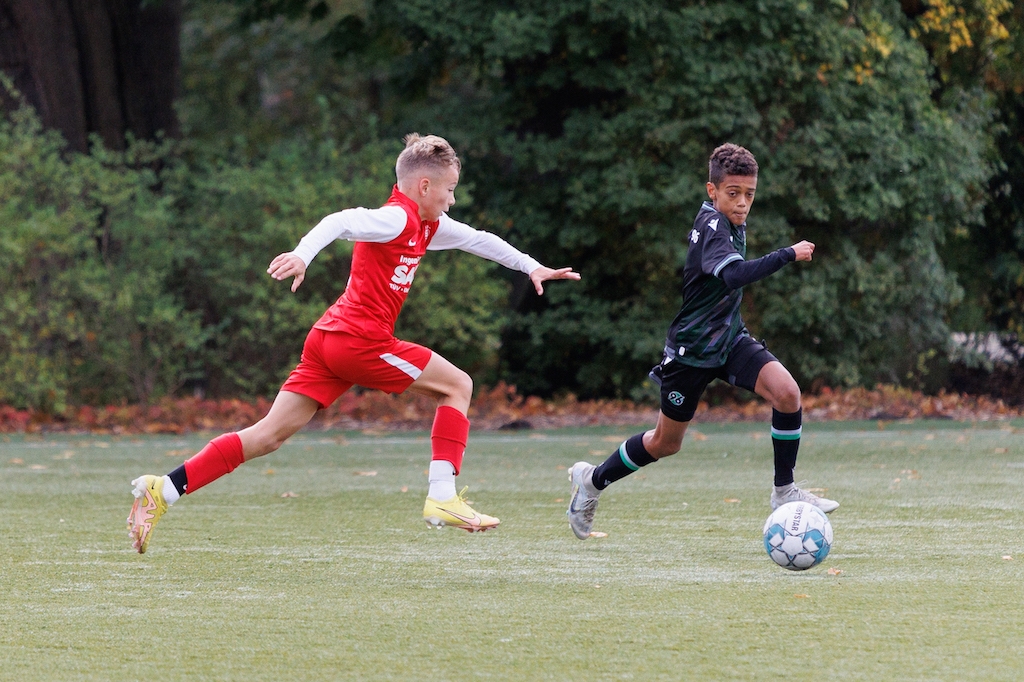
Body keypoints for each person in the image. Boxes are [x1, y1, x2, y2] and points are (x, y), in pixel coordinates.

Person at [127, 133, 580, 553]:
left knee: (266, 436)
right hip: (358, 342)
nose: (452, 199)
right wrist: (302, 255)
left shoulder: (428, 225)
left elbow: (480, 241)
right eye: (449, 189)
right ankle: (442, 496)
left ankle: (163, 489)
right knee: (458, 385)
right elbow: (340, 220)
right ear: (424, 186)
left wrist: (531, 267)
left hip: (328, 340)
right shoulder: (396, 217)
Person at [566, 142, 838, 541]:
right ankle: (592, 481)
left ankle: (784, 492)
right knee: (665, 443)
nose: (742, 203)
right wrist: (787, 254)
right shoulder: (712, 226)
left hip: (728, 340)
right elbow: (733, 275)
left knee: (787, 393)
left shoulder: (731, 220)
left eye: (749, 195)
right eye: (733, 193)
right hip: (691, 352)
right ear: (712, 191)